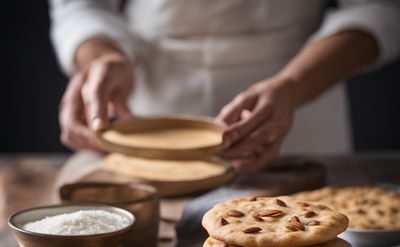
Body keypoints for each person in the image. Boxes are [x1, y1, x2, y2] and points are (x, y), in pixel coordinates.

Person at [49, 0, 400, 171]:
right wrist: (100, 57)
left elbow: (382, 9)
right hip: (151, 106)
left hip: (299, 101)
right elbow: (79, 6)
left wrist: (292, 86)